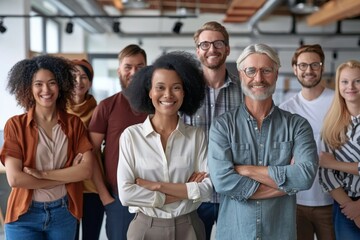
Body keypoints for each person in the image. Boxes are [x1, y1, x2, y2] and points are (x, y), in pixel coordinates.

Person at [208, 43, 318, 240]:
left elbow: (305, 176)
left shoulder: (298, 126)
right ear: (241, 74)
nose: (258, 78)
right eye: (251, 70)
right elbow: (222, 182)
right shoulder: (223, 126)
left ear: (276, 74)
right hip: (235, 233)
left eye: (266, 70)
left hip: (279, 233)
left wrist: (245, 170)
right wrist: (286, 185)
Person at [117, 51, 213, 240]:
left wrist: (155, 186)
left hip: (189, 227)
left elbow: (207, 189)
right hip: (145, 227)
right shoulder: (131, 136)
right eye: (160, 87)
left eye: (176, 87)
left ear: (185, 92)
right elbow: (126, 194)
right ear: (149, 92)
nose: (168, 95)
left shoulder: (197, 136)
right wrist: (185, 189)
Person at [0, 55, 93, 239]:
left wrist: (42, 175)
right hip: (24, 216)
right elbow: (16, 179)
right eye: (38, 84)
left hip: (63, 213)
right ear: (28, 88)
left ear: (60, 86)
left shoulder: (74, 124)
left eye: (52, 83)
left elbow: (86, 171)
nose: (46, 90)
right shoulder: (15, 125)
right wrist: (67, 175)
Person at [182, 21, 242, 239]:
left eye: (218, 43)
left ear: (227, 48)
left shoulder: (244, 92)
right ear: (197, 50)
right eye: (205, 44)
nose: (212, 49)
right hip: (196, 193)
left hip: (233, 191)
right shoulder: (185, 92)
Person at [88, 44, 147, 240]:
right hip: (119, 198)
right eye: (128, 66)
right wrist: (105, 195)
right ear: (119, 69)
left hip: (156, 195)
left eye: (140, 66)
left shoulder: (159, 106)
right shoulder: (106, 106)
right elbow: (91, 154)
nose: (134, 72)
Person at [279, 44, 335, 240]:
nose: (309, 70)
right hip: (296, 202)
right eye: (303, 65)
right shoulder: (286, 109)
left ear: (322, 67)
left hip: (332, 199)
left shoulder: (338, 102)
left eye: (314, 65)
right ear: (295, 68)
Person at [319, 60, 360, 239]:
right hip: (345, 207)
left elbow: (329, 164)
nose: (350, 86)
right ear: (338, 85)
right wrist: (353, 209)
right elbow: (325, 172)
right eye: (344, 81)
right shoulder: (331, 124)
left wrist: (334, 163)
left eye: (357, 81)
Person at [66, 59, 104, 240]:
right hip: (66, 186)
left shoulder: (99, 111)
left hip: (93, 187)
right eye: (73, 76)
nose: (78, 81)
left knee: (91, 237)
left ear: (90, 82)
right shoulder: (56, 111)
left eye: (83, 77)